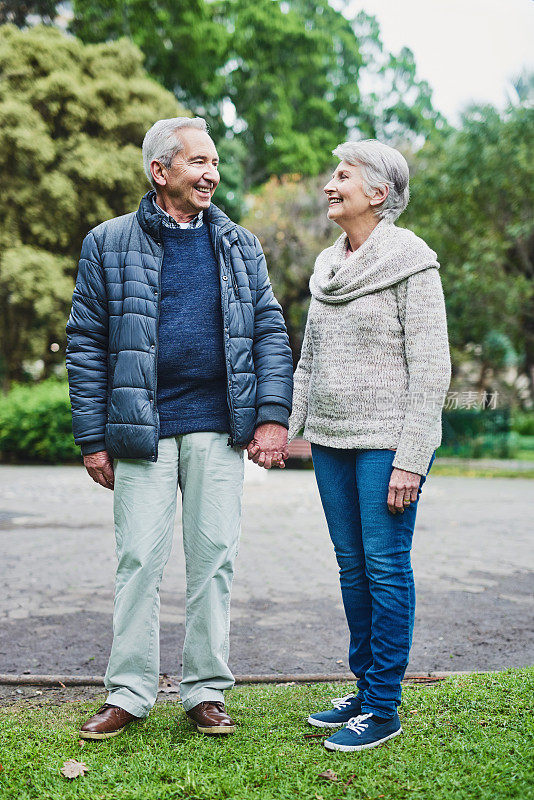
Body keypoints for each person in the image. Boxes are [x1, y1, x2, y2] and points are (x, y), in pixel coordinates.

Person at [66, 117, 293, 739]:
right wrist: (92, 438)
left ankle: (205, 691)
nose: (211, 174)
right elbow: (85, 342)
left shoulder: (241, 245)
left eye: (214, 162)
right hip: (142, 427)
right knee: (138, 559)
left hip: (218, 427)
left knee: (214, 558)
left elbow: (270, 331)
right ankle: (130, 692)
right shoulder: (107, 243)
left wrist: (272, 417)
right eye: (197, 162)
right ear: (159, 171)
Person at [288, 139, 451, 752]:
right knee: (353, 568)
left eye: (343, 175)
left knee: (384, 567)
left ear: (378, 193)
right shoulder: (328, 268)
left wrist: (413, 458)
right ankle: (364, 688)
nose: (330, 185)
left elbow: (432, 369)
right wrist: (289, 429)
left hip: (387, 443)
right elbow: (308, 360)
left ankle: (384, 705)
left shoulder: (412, 261)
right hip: (331, 441)